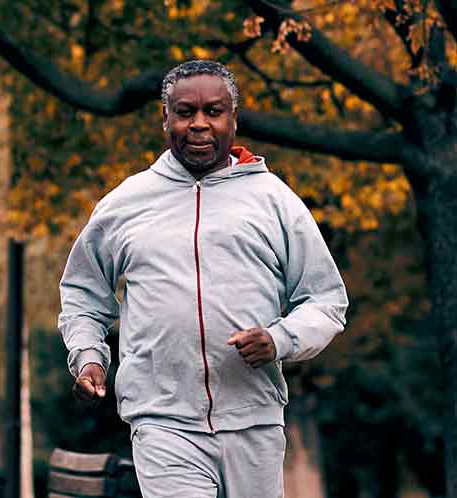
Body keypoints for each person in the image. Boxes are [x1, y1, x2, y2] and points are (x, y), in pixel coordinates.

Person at [58, 59, 348, 498]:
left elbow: (326, 299)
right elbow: (83, 292)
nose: (199, 125)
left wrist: (279, 339)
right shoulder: (126, 203)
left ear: (234, 119)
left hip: (254, 417)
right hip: (161, 419)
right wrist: (88, 356)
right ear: (165, 119)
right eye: (185, 112)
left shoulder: (273, 201)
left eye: (213, 112)